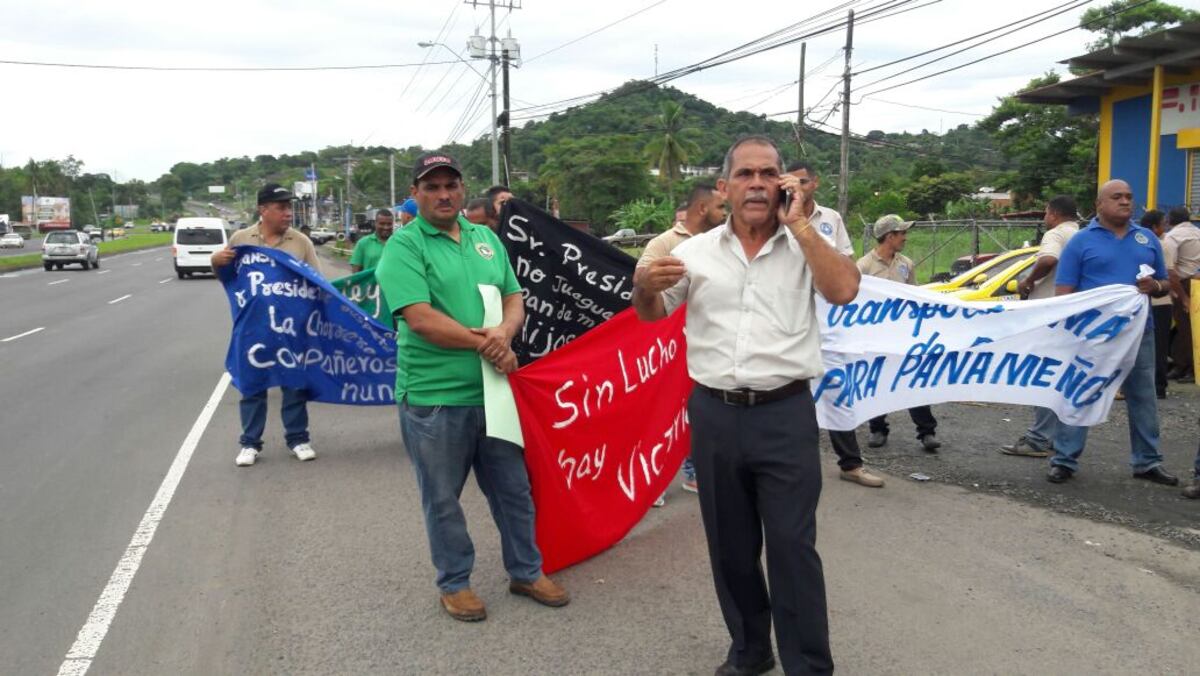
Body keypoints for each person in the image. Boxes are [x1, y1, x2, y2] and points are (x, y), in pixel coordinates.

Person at [634, 135, 860, 676]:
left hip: (784, 415)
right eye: (745, 174)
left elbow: (845, 290)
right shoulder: (691, 253)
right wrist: (642, 284)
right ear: (724, 187)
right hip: (714, 414)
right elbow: (650, 313)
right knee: (731, 549)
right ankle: (750, 650)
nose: (757, 183)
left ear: (785, 183)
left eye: (768, 174)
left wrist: (801, 224)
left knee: (791, 547)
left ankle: (807, 664)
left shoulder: (806, 243)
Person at [374, 152, 567, 622]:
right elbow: (420, 320)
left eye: (451, 185)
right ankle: (455, 582)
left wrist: (505, 333)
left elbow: (513, 297)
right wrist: (489, 344)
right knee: (443, 497)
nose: (443, 194)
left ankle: (526, 570)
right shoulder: (404, 247)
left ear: (462, 190)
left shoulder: (485, 239)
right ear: (416, 194)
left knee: (514, 490)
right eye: (432, 187)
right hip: (435, 398)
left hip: (495, 392)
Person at [1046, 180, 1179, 486]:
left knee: (1144, 396)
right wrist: (1069, 332)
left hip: (1138, 334)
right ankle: (1064, 459)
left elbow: (1165, 283)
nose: (1125, 202)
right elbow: (1064, 291)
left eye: (1129, 197)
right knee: (1081, 393)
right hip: (1092, 335)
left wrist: (1155, 287)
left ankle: (1147, 461)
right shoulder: (1080, 241)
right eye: (1116, 197)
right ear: (1099, 205)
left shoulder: (1147, 239)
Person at [787, 161, 883, 488]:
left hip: (830, 321)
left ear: (814, 183)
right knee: (798, 394)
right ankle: (800, 466)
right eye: (792, 181)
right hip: (790, 321)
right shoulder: (778, 217)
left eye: (803, 181)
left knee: (837, 389)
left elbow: (846, 265)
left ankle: (851, 464)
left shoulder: (830, 219)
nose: (796, 187)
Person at [211, 183, 322, 467]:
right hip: (253, 329)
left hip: (291, 329)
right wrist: (215, 261)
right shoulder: (241, 238)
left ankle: (298, 438)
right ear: (264, 210)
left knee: (294, 384)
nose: (288, 213)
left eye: (290, 207)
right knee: (252, 385)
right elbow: (229, 279)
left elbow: (318, 284)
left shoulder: (300, 243)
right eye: (282, 207)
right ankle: (250, 443)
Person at [634, 181, 726, 497]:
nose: (725, 214)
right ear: (702, 208)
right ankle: (653, 477)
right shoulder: (666, 243)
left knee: (694, 407)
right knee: (664, 409)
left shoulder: (724, 242)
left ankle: (694, 470)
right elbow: (641, 282)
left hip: (700, 341)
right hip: (666, 343)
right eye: (720, 207)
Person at [1000, 195, 1081, 457]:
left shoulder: (1055, 235)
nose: (1045, 218)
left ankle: (1039, 438)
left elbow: (1048, 260)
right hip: (1075, 316)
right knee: (1063, 379)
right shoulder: (1083, 236)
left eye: (1046, 213)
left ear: (1054, 214)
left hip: (1049, 315)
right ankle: (1059, 438)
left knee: (1043, 377)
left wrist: (1029, 280)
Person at [858, 215, 941, 453]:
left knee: (913, 380)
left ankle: (926, 433)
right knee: (878, 381)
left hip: (904, 335)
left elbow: (914, 296)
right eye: (901, 233)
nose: (905, 237)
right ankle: (877, 429)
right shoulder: (864, 266)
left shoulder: (906, 264)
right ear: (889, 236)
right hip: (875, 335)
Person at [1162, 205, 1199, 383]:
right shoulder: (1197, 233)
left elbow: (1171, 271)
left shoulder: (1172, 237)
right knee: (1195, 326)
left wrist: (1181, 295)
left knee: (1184, 326)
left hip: (1183, 284)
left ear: (1169, 221)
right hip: (1197, 282)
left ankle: (1184, 366)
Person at [1140, 210, 1172, 398]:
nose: (1165, 227)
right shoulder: (1160, 245)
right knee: (1159, 347)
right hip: (1161, 302)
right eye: (1162, 224)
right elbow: (1170, 274)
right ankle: (1159, 386)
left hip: (1144, 302)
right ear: (1154, 227)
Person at [349, 208, 394, 273]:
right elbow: (355, 272)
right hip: (370, 283)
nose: (386, 227)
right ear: (375, 223)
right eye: (382, 224)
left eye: (389, 224)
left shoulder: (399, 243)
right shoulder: (363, 243)